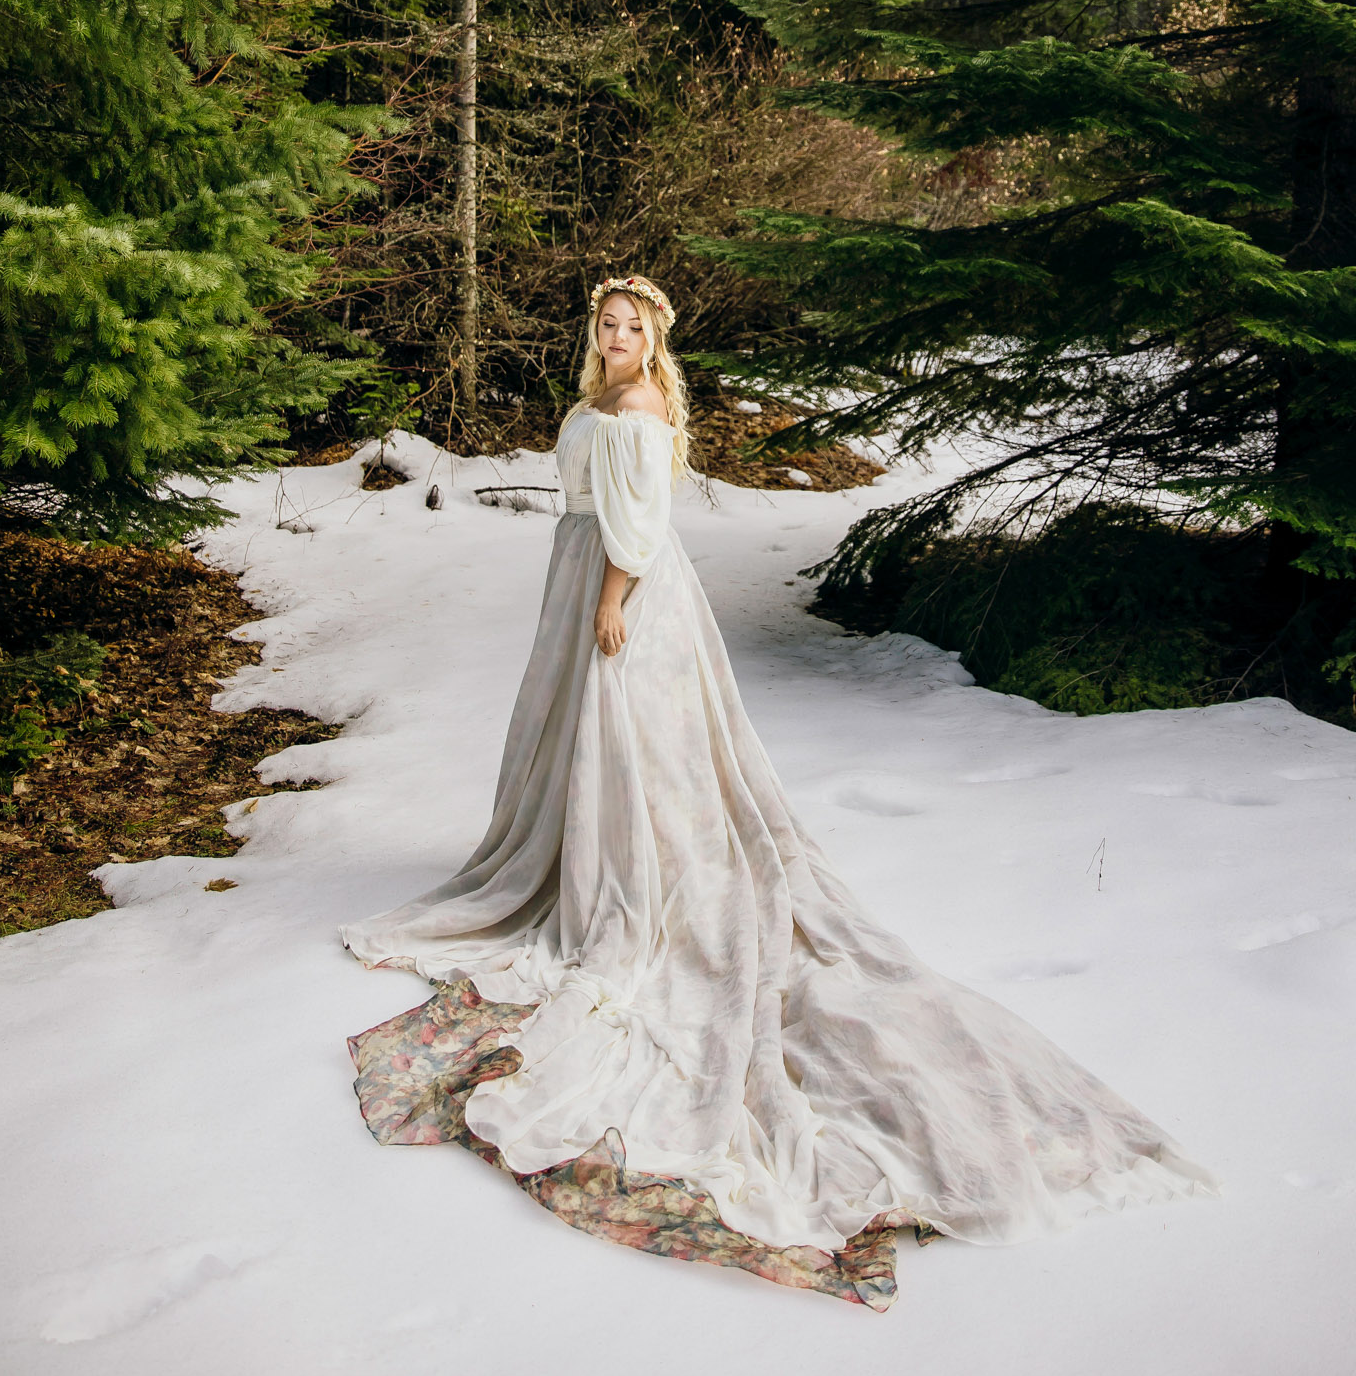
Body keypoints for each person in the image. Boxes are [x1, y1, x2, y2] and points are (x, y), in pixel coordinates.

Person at [341, 274, 1214, 1257]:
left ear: (653, 339)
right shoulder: (593, 399)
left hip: (620, 584)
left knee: (636, 737)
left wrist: (612, 599)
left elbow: (638, 525)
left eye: (633, 327)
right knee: (583, 733)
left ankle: (637, 865)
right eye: (607, 324)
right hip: (579, 568)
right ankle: (571, 851)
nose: (619, 336)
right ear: (594, 331)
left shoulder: (637, 407)